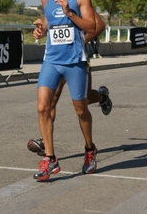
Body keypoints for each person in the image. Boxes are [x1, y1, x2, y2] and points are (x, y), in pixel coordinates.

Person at [32, 0, 98, 180]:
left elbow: (91, 24)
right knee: (42, 107)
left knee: (81, 108)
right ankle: (50, 159)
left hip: (75, 61)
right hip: (52, 60)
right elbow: (50, 20)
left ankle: (90, 149)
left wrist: (70, 13)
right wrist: (41, 28)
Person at [28, 11, 112, 156]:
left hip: (77, 60)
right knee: (50, 101)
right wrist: (41, 29)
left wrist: (83, 40)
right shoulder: (51, 1)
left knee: (84, 101)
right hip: (56, 61)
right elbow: (51, 26)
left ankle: (102, 97)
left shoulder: (79, 0)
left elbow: (99, 25)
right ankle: (45, 141)